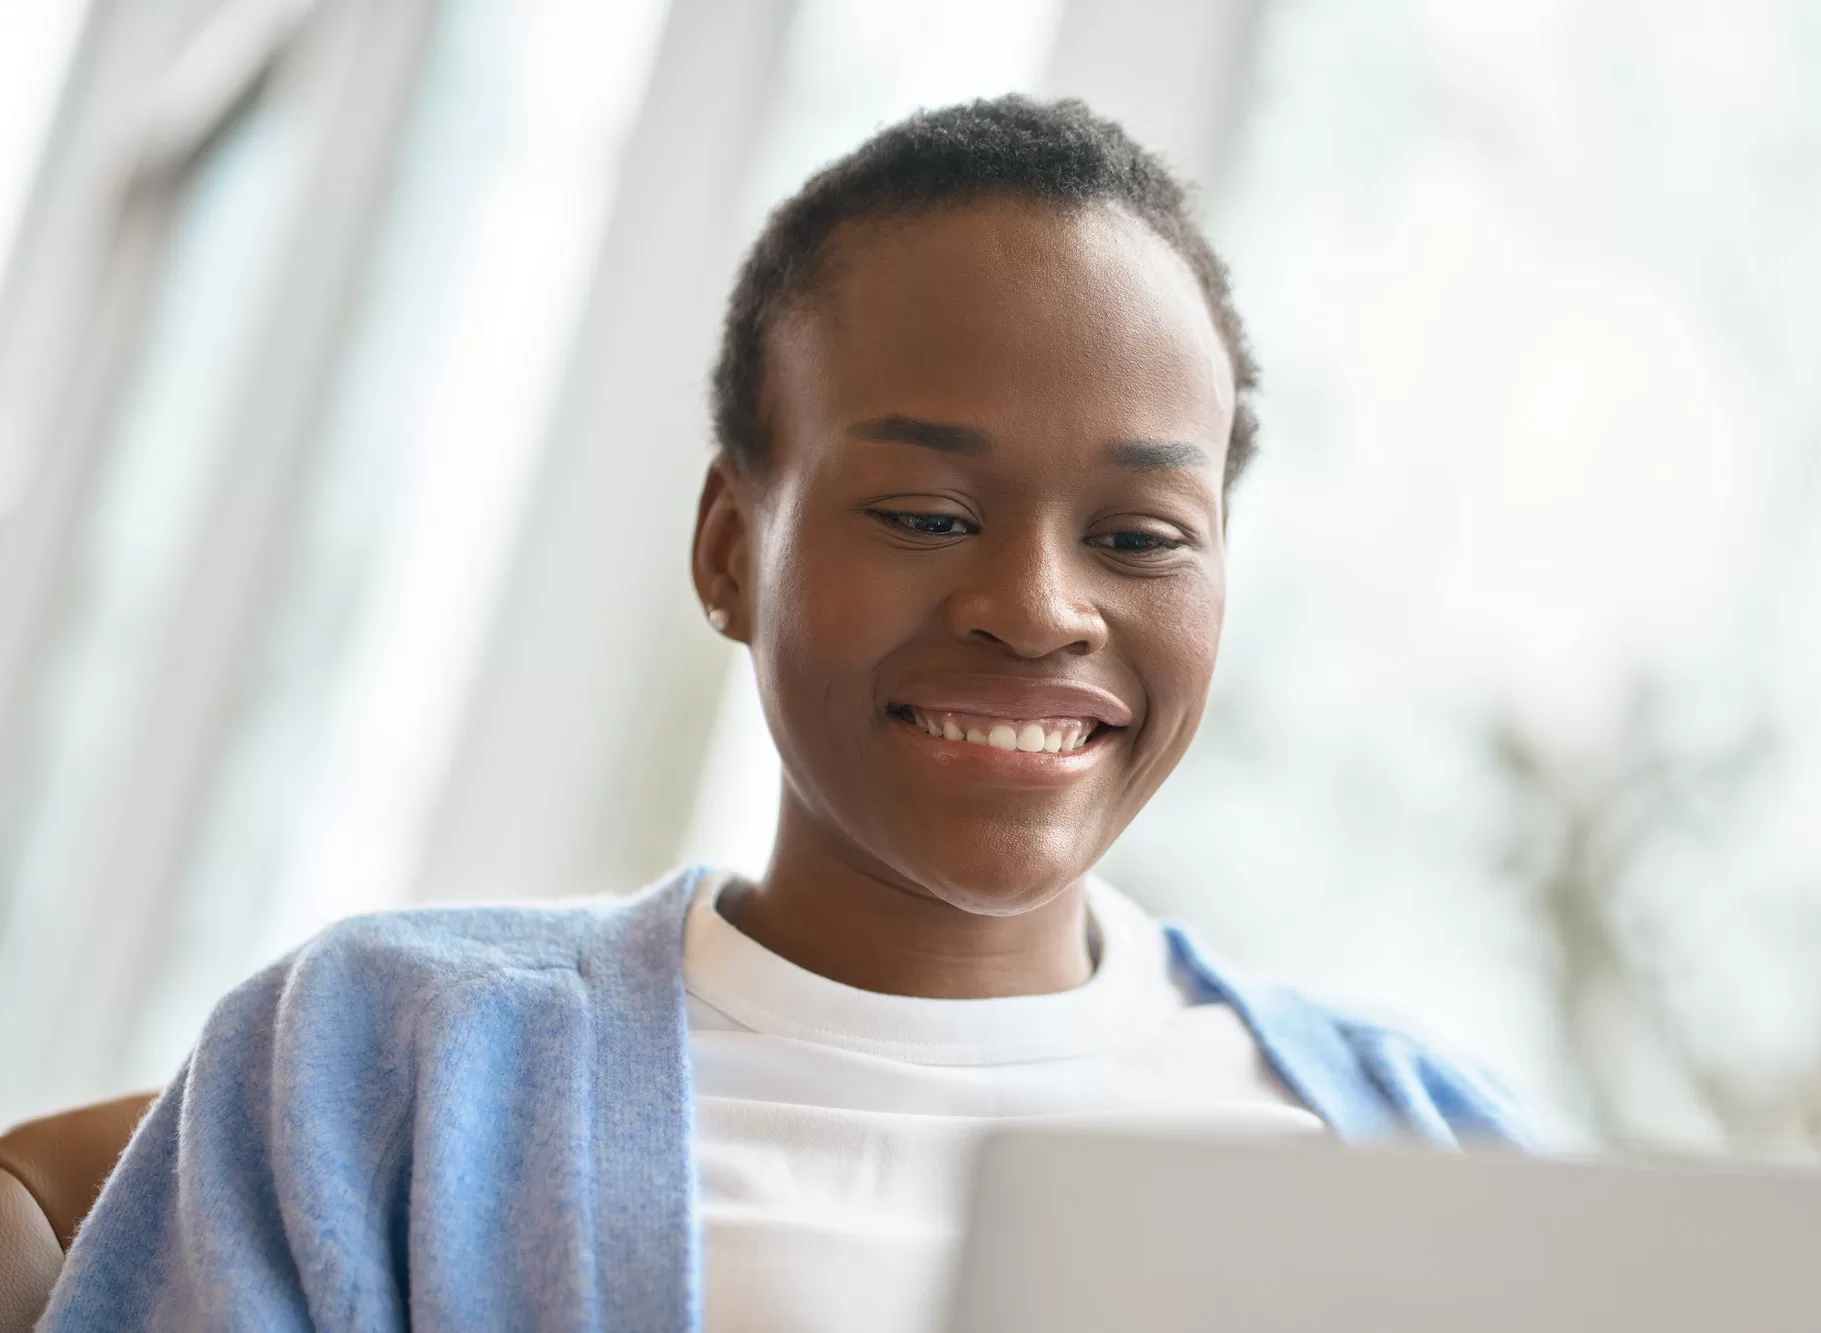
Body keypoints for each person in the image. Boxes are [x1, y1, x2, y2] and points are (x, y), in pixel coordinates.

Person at [41, 97, 1530, 1333]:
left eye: (1140, 537)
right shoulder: (387, 1068)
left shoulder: (1438, 1147)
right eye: (926, 514)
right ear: (729, 550)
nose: (1038, 609)